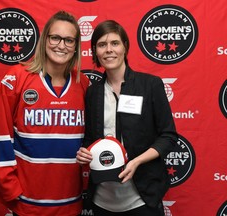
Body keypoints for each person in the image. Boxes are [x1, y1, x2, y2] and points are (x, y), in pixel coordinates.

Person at [0, 11, 90, 216]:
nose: (61, 45)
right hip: (28, 203)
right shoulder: (17, 77)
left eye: (69, 40)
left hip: (71, 202)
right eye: (55, 38)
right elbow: (0, 136)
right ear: (45, 40)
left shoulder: (83, 84)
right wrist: (9, 187)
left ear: (76, 46)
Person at [76, 20, 178, 216]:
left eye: (115, 43)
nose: (109, 50)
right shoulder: (92, 92)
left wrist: (136, 161)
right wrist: (85, 154)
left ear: (125, 47)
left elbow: (168, 136)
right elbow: (91, 140)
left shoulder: (150, 85)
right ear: (95, 51)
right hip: (102, 201)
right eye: (102, 45)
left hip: (142, 199)